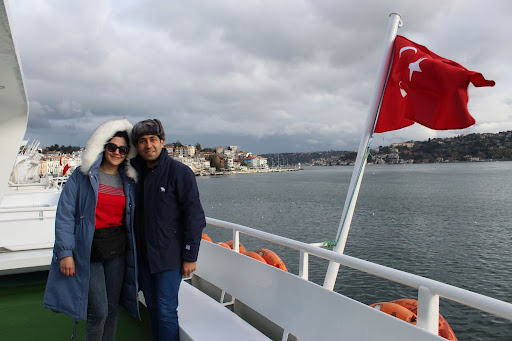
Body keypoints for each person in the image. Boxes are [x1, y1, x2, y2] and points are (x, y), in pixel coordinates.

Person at [44, 118, 140, 341]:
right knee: (98, 311)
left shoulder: (129, 180)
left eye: (122, 149)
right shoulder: (82, 176)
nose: (116, 152)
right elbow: (65, 215)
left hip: (117, 248)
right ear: (104, 147)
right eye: (112, 147)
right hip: (89, 248)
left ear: (127, 153)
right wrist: (65, 253)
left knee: (113, 308)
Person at [130, 119, 206, 341]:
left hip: (169, 257)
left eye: (153, 139)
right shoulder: (135, 173)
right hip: (144, 256)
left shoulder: (179, 173)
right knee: (153, 307)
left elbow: (195, 217)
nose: (148, 145)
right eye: (142, 141)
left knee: (165, 310)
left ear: (163, 141)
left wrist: (190, 256)